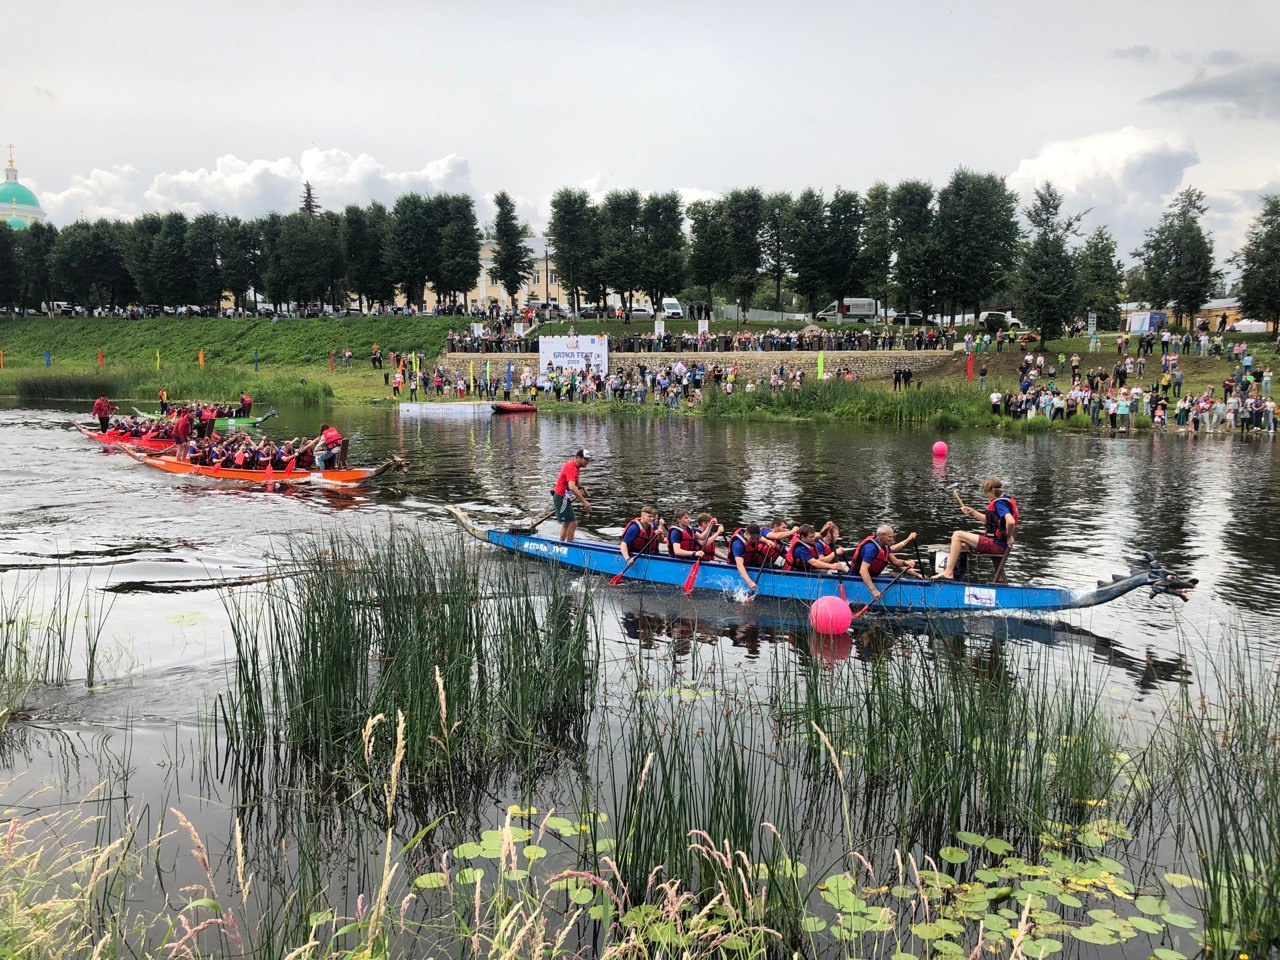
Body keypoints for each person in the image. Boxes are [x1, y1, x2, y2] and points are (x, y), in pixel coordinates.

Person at [933, 477, 1018, 581]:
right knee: (962, 543)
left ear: (992, 490)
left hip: (996, 545)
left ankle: (948, 572)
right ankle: (957, 576)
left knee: (957, 535)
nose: (987, 497)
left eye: (987, 493)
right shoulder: (1005, 500)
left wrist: (1009, 536)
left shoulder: (999, 503)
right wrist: (972, 511)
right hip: (998, 543)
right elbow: (989, 521)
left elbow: (1011, 521)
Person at [852, 525, 922, 601]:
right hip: (857, 577)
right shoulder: (871, 548)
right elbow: (863, 570)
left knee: (895, 578)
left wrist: (907, 564)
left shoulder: (885, 546)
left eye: (892, 536)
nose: (892, 539)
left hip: (872, 577)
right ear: (881, 536)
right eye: (890, 537)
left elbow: (896, 562)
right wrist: (874, 590)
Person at [551, 448, 592, 542]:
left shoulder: (575, 466)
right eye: (585, 459)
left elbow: (574, 483)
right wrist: (585, 502)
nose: (587, 462)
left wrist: (581, 487)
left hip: (564, 497)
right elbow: (572, 487)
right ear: (578, 458)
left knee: (567, 523)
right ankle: (569, 546)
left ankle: (561, 545)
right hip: (561, 498)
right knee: (572, 523)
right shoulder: (572, 468)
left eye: (588, 460)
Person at [784, 525, 850, 574]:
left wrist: (826, 528)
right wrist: (832, 566)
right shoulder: (800, 549)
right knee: (828, 573)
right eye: (811, 537)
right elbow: (814, 562)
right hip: (796, 571)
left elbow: (821, 535)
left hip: (807, 568)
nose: (814, 539)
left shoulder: (808, 542)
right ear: (803, 537)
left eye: (814, 536)